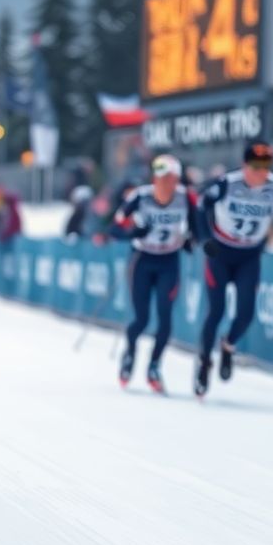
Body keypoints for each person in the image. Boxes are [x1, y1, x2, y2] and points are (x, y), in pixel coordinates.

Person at [195, 141, 273, 396]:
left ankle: (228, 346)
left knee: (246, 313)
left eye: (265, 167)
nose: (260, 173)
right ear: (244, 166)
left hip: (249, 255)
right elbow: (201, 205)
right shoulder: (227, 183)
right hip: (221, 253)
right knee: (216, 311)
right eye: (255, 167)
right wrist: (205, 238)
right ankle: (204, 362)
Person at [107, 154, 197, 393]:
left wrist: (192, 240)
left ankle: (154, 366)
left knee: (165, 317)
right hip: (142, 260)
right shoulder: (140, 196)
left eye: (169, 179)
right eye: (160, 178)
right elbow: (114, 228)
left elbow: (198, 227)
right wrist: (133, 233)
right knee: (142, 318)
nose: (164, 184)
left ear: (176, 180)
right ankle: (130, 353)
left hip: (169, 260)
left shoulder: (185, 197)